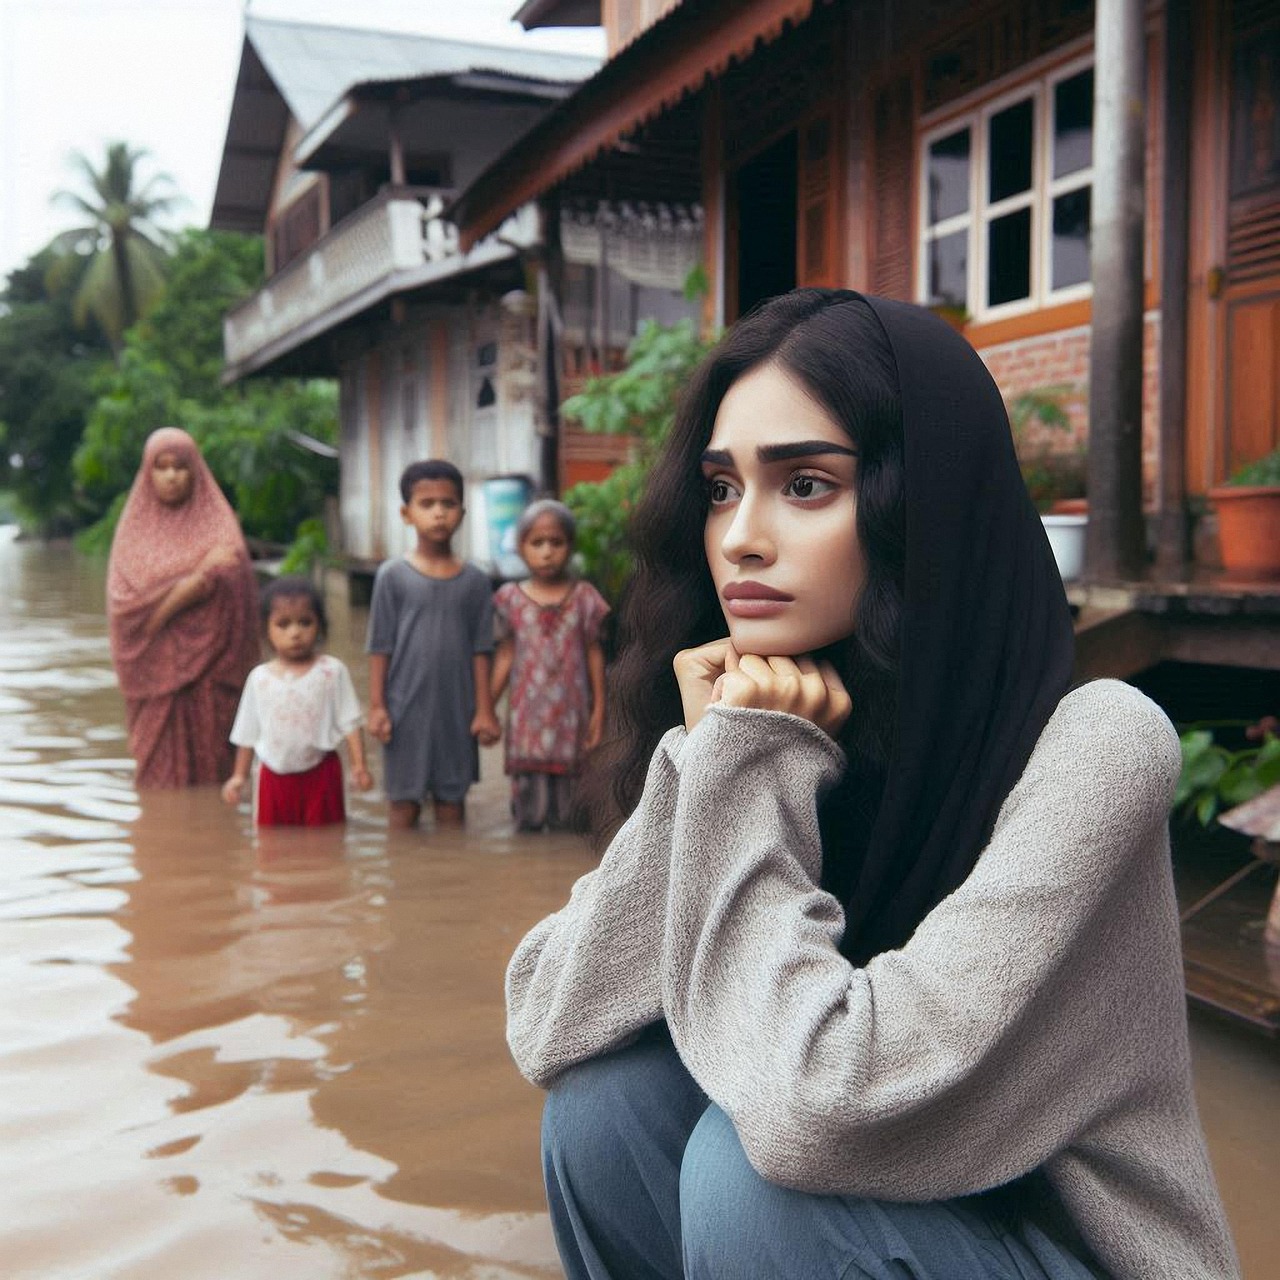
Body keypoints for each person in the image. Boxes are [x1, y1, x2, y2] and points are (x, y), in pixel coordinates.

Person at [505, 291, 1240, 1280]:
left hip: (1054, 1246)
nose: (740, 538)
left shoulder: (1095, 744)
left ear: (915, 504)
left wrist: (746, 764)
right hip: (855, 1208)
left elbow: (820, 1103)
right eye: (721, 488)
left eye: (804, 484)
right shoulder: (775, 725)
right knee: (603, 1106)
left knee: (748, 1175)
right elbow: (549, 1019)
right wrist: (711, 758)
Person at [107, 426, 259, 788]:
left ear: (196, 471)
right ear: (148, 473)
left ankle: (213, 833)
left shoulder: (219, 527)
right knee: (156, 777)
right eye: (162, 466)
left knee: (215, 773)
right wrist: (194, 584)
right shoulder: (132, 535)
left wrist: (186, 592)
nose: (172, 475)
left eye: (181, 466)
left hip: (212, 673)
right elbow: (124, 608)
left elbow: (234, 577)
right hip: (154, 678)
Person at [367, 459, 501, 830]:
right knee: (402, 806)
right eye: (427, 504)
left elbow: (482, 649)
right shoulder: (391, 576)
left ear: (462, 511)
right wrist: (377, 706)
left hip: (457, 711)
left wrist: (485, 710)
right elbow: (380, 645)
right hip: (403, 708)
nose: (439, 513)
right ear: (406, 513)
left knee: (451, 805)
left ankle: (452, 885)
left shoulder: (475, 580)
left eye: (448, 503)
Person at [491, 500, 609, 832]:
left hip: (571, 723)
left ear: (569, 546)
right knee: (526, 821)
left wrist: (599, 711)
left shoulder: (585, 597)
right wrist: (485, 709)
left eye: (555, 543)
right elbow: (505, 655)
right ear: (520, 547)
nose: (546, 552)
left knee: (570, 823)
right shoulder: (509, 599)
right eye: (536, 543)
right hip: (526, 725)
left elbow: (594, 653)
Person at [221, 576, 373, 825]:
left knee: (326, 844)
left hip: (322, 773)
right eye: (283, 624)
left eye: (305, 622)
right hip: (272, 776)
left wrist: (359, 767)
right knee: (271, 847)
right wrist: (239, 777)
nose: (295, 633)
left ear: (320, 627)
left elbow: (351, 723)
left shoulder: (332, 672)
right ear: (265, 630)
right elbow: (248, 733)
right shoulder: (259, 679)